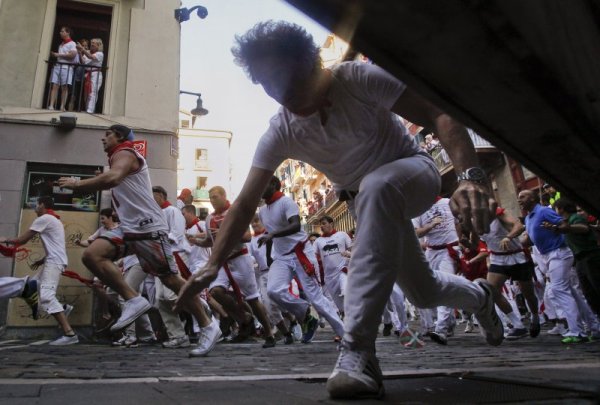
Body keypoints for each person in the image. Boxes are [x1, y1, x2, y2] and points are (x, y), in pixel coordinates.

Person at [176, 21, 501, 399]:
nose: (283, 93)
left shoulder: (357, 77)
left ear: (312, 62)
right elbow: (245, 202)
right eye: (269, 84)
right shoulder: (280, 130)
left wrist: (472, 176)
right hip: (373, 203)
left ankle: (358, 350)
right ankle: (481, 297)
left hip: (415, 173)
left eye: (288, 78)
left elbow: (439, 113)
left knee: (377, 186)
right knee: (423, 292)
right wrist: (213, 262)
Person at [57, 124, 220, 357]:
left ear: (120, 136)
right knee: (92, 255)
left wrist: (77, 184)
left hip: (148, 228)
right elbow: (113, 178)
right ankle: (133, 300)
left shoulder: (126, 153)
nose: (103, 139)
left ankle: (208, 325)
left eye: (107, 135)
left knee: (171, 280)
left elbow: (112, 178)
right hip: (129, 228)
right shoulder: (118, 157)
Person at [192, 185, 276, 348]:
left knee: (252, 298)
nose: (212, 200)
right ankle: (244, 318)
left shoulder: (236, 213)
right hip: (224, 261)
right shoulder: (209, 218)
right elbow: (211, 241)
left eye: (215, 196)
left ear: (224, 196)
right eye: (210, 197)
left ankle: (268, 333)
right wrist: (196, 242)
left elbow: (246, 237)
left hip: (240, 259)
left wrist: (226, 233)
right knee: (215, 292)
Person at [0, 196, 77, 345]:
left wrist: (3, 240)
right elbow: (56, 245)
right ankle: (63, 308)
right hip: (52, 261)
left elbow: (22, 240)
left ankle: (70, 334)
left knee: (47, 296)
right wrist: (42, 260)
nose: (35, 207)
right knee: (32, 288)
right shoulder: (53, 219)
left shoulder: (45, 218)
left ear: (42, 205)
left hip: (53, 262)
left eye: (37, 204)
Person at [517, 190, 584, 343]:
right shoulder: (528, 218)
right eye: (519, 197)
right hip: (548, 256)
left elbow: (564, 224)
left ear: (533, 198)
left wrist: (556, 227)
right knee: (570, 291)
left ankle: (577, 331)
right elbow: (530, 240)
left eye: (523, 197)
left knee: (558, 289)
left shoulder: (543, 211)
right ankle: (593, 325)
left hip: (558, 252)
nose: (519, 200)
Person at [479, 207, 541, 339]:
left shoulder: (496, 212)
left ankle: (535, 317)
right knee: (492, 292)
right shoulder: (473, 220)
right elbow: (475, 243)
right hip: (497, 259)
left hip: (516, 256)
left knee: (528, 294)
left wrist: (508, 237)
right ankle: (518, 325)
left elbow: (519, 225)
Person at [548, 198, 600, 319]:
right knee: (588, 292)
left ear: (560, 208)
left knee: (597, 287)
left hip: (590, 257)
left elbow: (583, 228)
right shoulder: (565, 222)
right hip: (580, 260)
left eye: (555, 208)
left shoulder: (575, 218)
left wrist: (566, 228)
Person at [49, 26, 79, 111]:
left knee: (64, 87)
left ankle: (62, 106)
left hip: (66, 67)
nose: (60, 33)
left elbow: (72, 55)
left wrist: (58, 55)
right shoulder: (61, 44)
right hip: (57, 66)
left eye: (62, 31)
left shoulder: (72, 44)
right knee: (54, 86)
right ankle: (51, 105)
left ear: (67, 33)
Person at [78, 38, 104, 113]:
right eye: (91, 42)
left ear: (98, 45)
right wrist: (80, 53)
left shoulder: (100, 54)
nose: (91, 44)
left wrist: (82, 49)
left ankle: (90, 110)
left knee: (93, 92)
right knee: (87, 93)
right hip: (88, 74)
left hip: (96, 74)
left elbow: (91, 57)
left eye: (94, 43)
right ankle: (87, 109)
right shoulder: (88, 52)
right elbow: (82, 62)